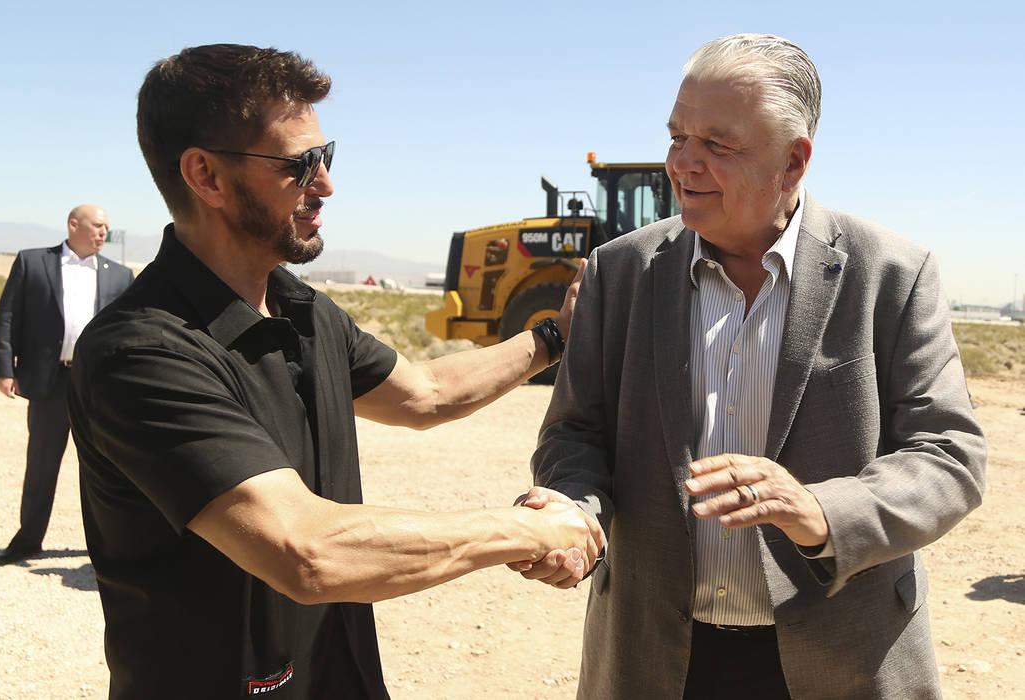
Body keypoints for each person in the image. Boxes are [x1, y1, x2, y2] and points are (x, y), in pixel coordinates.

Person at [67, 44, 603, 699]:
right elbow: (306, 551)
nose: (324, 184)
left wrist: (554, 337)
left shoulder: (303, 310)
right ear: (205, 176)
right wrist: (524, 530)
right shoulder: (141, 351)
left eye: (326, 157)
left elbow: (427, 395)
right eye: (298, 165)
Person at [520, 33, 986, 698]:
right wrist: (574, 513)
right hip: (658, 661)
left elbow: (948, 455)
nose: (683, 163)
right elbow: (574, 436)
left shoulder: (892, 275)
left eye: (717, 144)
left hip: (842, 662)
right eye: (677, 136)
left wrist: (822, 511)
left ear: (793, 162)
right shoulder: (617, 274)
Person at [0, 205, 134, 565]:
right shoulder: (31, 262)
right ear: (74, 225)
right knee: (41, 465)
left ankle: (107, 548)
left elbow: (129, 330)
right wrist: (4, 368)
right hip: (47, 381)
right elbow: (7, 317)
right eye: (98, 226)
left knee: (102, 468)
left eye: (107, 228)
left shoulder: (120, 276)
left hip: (97, 385)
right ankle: (26, 543)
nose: (104, 233)